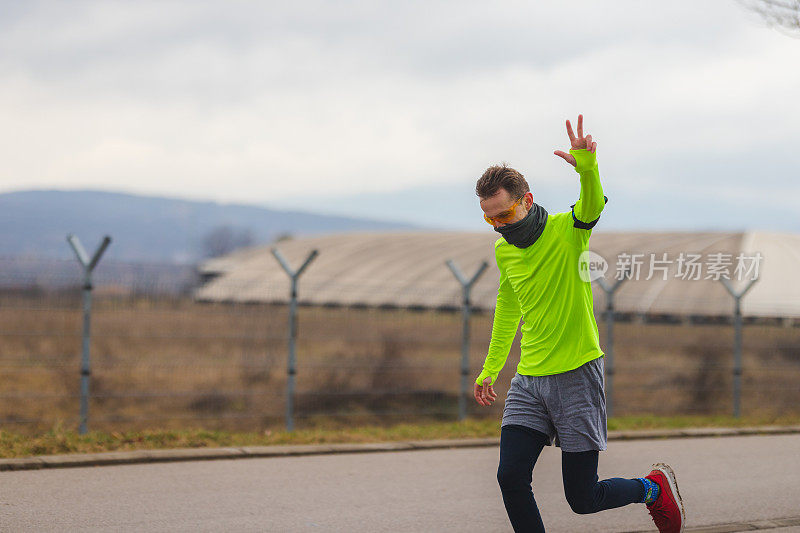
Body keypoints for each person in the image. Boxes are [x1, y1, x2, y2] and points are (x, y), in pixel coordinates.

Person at [472, 114, 685, 533]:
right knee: (510, 477)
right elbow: (508, 308)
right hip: (530, 380)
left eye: (504, 214)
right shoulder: (505, 252)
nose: (499, 226)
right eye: (489, 219)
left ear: (527, 200)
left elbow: (591, 203)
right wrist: (491, 367)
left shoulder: (567, 231)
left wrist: (588, 167)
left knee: (582, 499)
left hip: (576, 375)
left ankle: (652, 489)